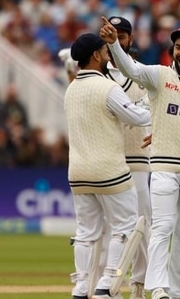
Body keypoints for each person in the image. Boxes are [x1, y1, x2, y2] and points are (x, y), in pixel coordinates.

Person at [100, 18, 180, 299]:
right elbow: (131, 68)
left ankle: (174, 292)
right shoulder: (160, 76)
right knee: (162, 228)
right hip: (164, 168)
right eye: (178, 47)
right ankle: (157, 288)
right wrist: (114, 43)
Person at [64, 32, 151, 299]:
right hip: (109, 170)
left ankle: (80, 286)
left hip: (78, 172)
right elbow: (136, 117)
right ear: (95, 56)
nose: (107, 55)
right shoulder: (107, 87)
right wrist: (154, 104)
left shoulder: (71, 88)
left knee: (86, 232)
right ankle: (106, 284)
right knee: (125, 226)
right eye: (104, 51)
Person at [105, 16, 151, 299]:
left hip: (137, 160)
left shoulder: (143, 74)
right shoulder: (97, 75)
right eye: (112, 35)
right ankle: (109, 285)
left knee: (143, 224)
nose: (117, 41)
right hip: (108, 160)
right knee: (111, 227)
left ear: (130, 40)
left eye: (122, 36)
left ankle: (140, 284)